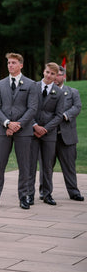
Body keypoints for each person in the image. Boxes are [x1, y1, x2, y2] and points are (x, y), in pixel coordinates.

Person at [0, 53, 38, 210]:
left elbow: (32, 108)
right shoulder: (0, 84)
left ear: (21, 65)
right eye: (9, 62)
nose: (10, 65)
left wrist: (18, 125)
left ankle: (24, 197)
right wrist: (8, 123)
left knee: (24, 165)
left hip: (24, 132)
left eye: (14, 63)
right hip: (3, 131)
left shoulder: (31, 84)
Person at [39, 66, 83, 201]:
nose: (55, 77)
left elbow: (77, 107)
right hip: (48, 135)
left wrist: (63, 115)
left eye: (58, 75)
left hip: (66, 136)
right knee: (46, 166)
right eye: (53, 74)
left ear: (64, 76)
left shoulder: (72, 92)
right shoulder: (44, 90)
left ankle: (74, 192)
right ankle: (44, 191)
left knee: (69, 166)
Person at [28, 62, 64, 206]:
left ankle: (47, 194)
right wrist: (35, 126)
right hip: (31, 132)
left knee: (48, 165)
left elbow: (59, 115)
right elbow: (27, 109)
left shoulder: (59, 92)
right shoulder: (32, 87)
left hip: (49, 134)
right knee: (30, 165)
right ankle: (29, 194)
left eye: (53, 74)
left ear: (56, 77)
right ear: (43, 71)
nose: (49, 76)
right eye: (47, 72)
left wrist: (45, 129)